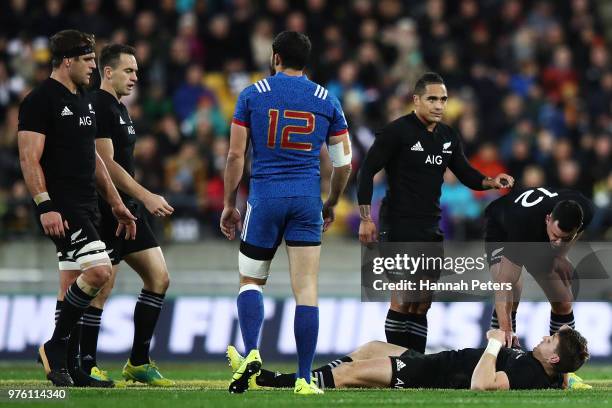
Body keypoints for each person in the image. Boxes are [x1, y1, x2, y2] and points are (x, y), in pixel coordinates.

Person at [220, 31, 352, 395]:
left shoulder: (251, 95)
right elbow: (344, 164)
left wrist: (230, 204)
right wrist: (332, 201)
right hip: (307, 200)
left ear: (275, 56)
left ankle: (252, 352)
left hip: (263, 199)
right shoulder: (327, 100)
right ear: (305, 60)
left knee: (251, 281)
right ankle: (305, 379)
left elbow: (234, 156)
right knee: (306, 289)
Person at [357, 72, 514, 353]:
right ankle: (396, 362)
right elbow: (367, 171)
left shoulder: (447, 136)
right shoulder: (396, 132)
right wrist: (367, 218)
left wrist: (490, 181)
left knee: (422, 302)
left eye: (443, 99)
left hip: (430, 226)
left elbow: (464, 172)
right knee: (404, 297)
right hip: (399, 225)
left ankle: (415, 362)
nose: (439, 105)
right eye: (432, 99)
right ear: (416, 100)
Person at [17, 30, 136, 387]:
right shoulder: (39, 100)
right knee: (100, 273)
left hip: (88, 204)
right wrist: (45, 205)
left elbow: (94, 158)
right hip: (64, 207)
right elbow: (29, 158)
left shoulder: (84, 98)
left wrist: (115, 202)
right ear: (67, 61)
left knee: (70, 282)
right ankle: (54, 348)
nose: (93, 68)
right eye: (88, 61)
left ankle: (68, 367)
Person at [74, 43, 173, 386]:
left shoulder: (119, 108)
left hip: (128, 210)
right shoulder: (98, 105)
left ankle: (138, 361)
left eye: (136, 71)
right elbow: (107, 165)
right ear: (108, 72)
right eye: (128, 71)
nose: (135, 77)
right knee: (103, 287)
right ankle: (86, 363)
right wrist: (145, 196)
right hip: (108, 209)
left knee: (159, 277)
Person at [227, 325, 589, 391]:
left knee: (349, 375)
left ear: (553, 358)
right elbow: (565, 377)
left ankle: (266, 379)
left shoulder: (529, 370)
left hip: (428, 373)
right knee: (370, 346)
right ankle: (288, 378)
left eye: (550, 340)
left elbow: (483, 385)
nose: (544, 337)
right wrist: (574, 378)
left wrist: (494, 344)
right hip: (436, 361)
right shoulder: (550, 372)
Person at [484, 187, 594, 348]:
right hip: (502, 228)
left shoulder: (585, 210)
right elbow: (504, 281)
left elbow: (574, 234)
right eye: (556, 236)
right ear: (548, 219)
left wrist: (560, 255)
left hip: (537, 230)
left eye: (566, 239)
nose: (558, 243)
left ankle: (561, 366)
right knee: (513, 289)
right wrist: (505, 329)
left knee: (563, 300)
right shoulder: (523, 227)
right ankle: (501, 357)